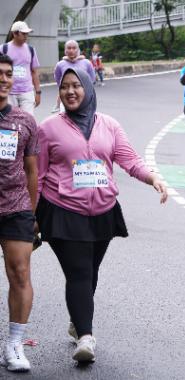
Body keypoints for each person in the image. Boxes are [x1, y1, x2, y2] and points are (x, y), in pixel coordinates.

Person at [36, 68, 168, 362]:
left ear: (88, 89)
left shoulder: (108, 125)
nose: (70, 92)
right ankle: (86, 337)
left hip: (104, 211)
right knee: (80, 271)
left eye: (76, 86)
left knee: (90, 273)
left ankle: (78, 318)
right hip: (63, 210)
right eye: (64, 87)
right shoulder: (48, 128)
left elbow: (130, 160)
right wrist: (30, 214)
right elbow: (39, 174)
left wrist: (153, 178)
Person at [0, 54, 38, 373]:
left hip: (16, 207)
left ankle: (14, 345)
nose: (3, 79)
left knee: (21, 273)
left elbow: (31, 171)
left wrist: (33, 212)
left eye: (8, 74)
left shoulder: (25, 120)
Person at [1, 21, 40, 116]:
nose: (26, 36)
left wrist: (38, 92)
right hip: (9, 92)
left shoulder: (31, 50)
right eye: (23, 34)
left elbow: (34, 72)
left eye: (27, 34)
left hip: (27, 92)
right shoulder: (3, 49)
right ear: (14, 33)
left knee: (27, 120)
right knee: (9, 121)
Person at [53, 40, 96, 113]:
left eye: (74, 48)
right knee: (65, 118)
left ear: (78, 49)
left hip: (84, 97)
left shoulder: (86, 63)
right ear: (65, 50)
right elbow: (58, 80)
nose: (71, 50)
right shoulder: (60, 65)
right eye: (69, 48)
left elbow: (92, 78)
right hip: (67, 97)